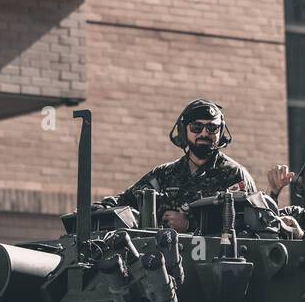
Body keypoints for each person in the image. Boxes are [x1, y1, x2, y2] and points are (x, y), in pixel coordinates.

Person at [108, 99, 257, 231]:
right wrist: (97, 208)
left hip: (216, 259)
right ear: (184, 130)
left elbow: (251, 222)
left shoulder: (234, 174)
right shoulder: (164, 174)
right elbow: (124, 200)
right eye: (196, 127)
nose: (204, 134)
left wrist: (190, 224)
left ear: (221, 132)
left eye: (212, 128)